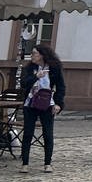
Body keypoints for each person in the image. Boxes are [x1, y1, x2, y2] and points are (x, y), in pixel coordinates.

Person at [18, 44, 66, 173]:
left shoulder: (54, 68)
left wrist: (58, 103)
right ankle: (25, 163)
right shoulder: (29, 68)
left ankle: (47, 163)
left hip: (47, 103)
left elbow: (61, 87)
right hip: (31, 103)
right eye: (32, 53)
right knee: (28, 133)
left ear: (42, 55)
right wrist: (35, 76)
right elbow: (23, 83)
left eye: (34, 53)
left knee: (48, 134)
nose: (32, 56)